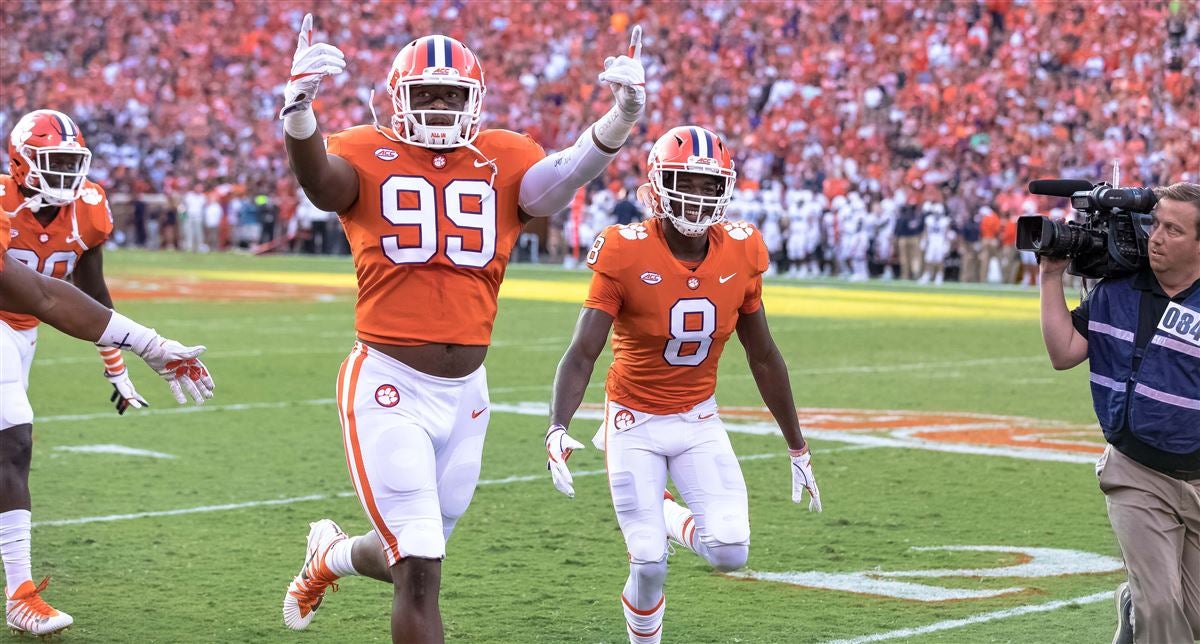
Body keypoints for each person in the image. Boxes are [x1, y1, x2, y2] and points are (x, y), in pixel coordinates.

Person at [276, 14, 645, 644]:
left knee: (413, 557)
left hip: (468, 393)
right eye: (426, 94)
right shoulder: (364, 149)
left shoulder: (503, 155)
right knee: (418, 565)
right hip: (387, 383)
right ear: (399, 100)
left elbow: (559, 184)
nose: (441, 106)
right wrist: (300, 112)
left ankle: (330, 555)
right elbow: (319, 184)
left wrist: (619, 121)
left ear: (475, 101)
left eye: (453, 94)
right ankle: (336, 557)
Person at [544, 126, 822, 644]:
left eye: (708, 185)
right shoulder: (625, 250)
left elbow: (763, 354)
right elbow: (583, 350)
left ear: (727, 189)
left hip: (698, 419)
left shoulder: (741, 250)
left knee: (731, 551)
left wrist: (797, 445)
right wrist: (556, 425)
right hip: (633, 421)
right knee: (648, 562)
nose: (697, 197)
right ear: (657, 184)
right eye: (684, 182)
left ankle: (667, 511)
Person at [0, 212, 214, 636]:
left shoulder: (88, 208)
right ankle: (20, 592)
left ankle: (20, 594)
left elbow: (47, 296)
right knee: (14, 430)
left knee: (11, 438)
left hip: (24, 332)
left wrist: (140, 348)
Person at [1038, 182, 1200, 644]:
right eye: (1156, 224)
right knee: (1163, 611)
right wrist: (1051, 277)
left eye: (1174, 229)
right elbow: (1065, 352)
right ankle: (1145, 606)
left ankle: (1132, 606)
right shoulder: (1117, 291)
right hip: (1137, 471)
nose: (1157, 237)